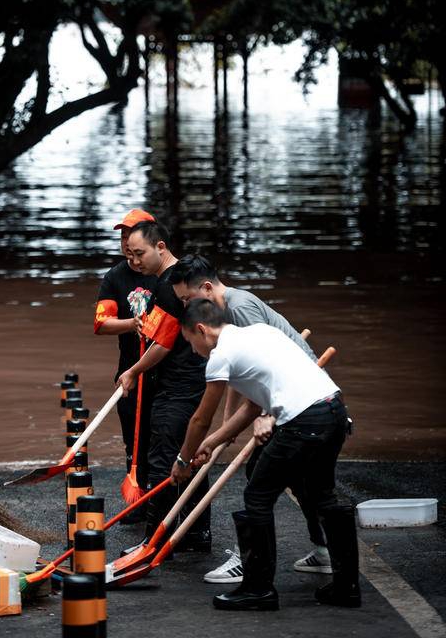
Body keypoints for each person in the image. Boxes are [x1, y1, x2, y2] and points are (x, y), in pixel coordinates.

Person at [180, 298, 360, 611]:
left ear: (201, 329)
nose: (193, 351)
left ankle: (258, 589)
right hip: (333, 409)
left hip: (304, 421)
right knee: (323, 496)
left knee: (258, 496)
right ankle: (347, 588)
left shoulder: (220, 356)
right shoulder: (260, 332)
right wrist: (211, 443)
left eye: (190, 342)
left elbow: (200, 419)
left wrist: (183, 460)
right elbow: (252, 406)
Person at [169, 254, 331, 582]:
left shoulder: (239, 309)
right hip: (297, 400)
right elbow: (241, 373)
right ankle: (325, 550)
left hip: (296, 399)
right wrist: (227, 428)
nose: (186, 306)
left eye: (187, 298)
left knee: (261, 475)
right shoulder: (224, 317)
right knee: (300, 480)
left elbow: (266, 363)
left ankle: (249, 561)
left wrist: (266, 415)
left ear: (206, 288)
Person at [117, 221, 211, 553]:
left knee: (162, 461)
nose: (134, 261)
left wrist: (133, 371)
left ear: (161, 247)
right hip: (188, 380)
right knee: (188, 455)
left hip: (179, 384)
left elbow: (163, 343)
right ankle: (195, 533)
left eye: (139, 253)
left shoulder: (172, 285)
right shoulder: (172, 281)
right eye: (129, 254)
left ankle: (154, 541)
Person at [94, 209, 158, 510]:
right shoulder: (115, 277)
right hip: (130, 371)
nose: (126, 243)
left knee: (161, 440)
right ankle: (138, 503)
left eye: (131, 236)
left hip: (165, 372)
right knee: (133, 441)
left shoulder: (165, 273)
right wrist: (132, 324)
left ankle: (163, 502)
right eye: (122, 237)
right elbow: (101, 323)